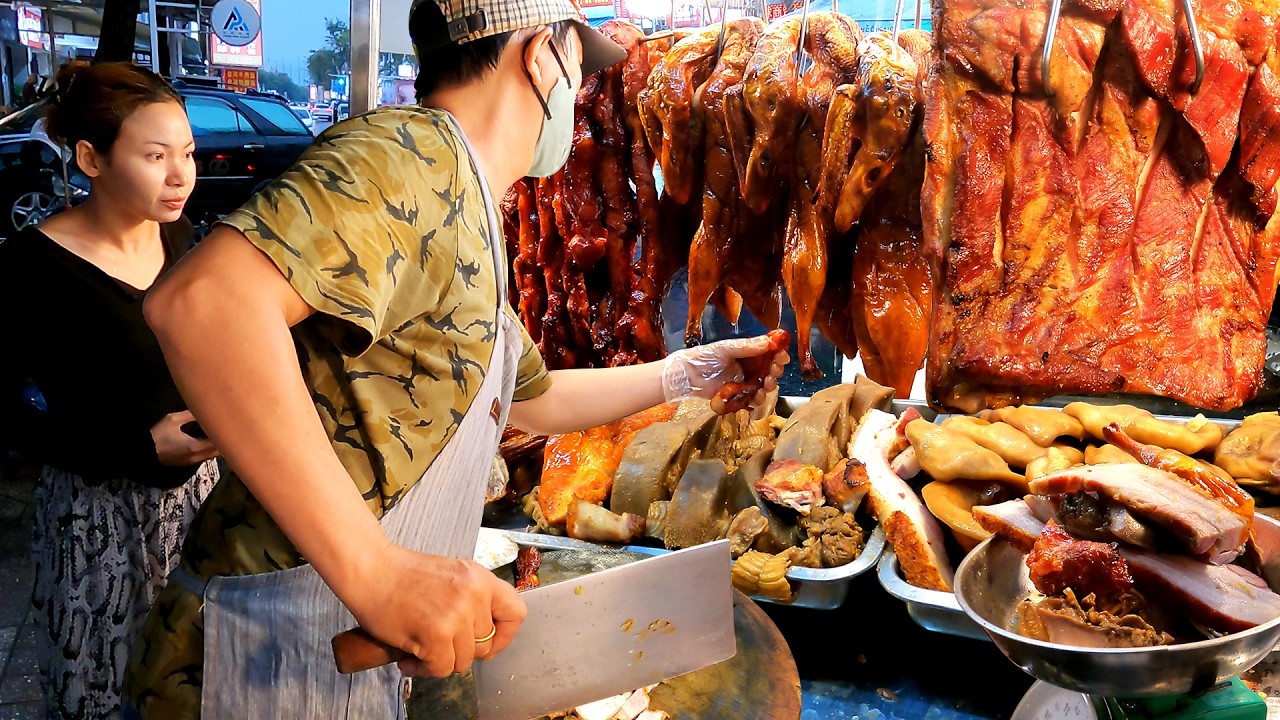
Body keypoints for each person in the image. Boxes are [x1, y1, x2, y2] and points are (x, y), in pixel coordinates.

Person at [122, 0, 789, 717]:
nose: (579, 93)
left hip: (337, 642)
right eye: (576, 66)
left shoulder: (467, 196)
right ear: (539, 57)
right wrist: (376, 574)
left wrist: (689, 373)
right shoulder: (412, 156)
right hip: (256, 647)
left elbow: (533, 398)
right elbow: (203, 305)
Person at [0, 61, 220, 720]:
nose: (181, 174)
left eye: (186, 154)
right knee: (103, 695)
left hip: (200, 509)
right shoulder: (32, 268)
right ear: (91, 159)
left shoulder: (179, 234)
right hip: (96, 523)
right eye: (156, 156)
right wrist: (131, 445)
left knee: (200, 685)